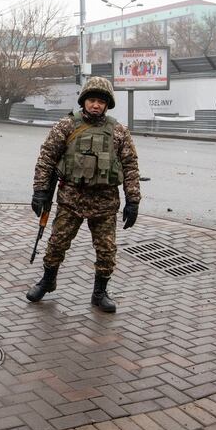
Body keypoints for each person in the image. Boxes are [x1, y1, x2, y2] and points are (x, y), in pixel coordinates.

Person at [26, 76, 141, 313]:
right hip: (71, 199)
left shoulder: (119, 132)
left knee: (107, 251)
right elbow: (46, 159)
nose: (96, 105)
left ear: (107, 104)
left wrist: (133, 200)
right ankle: (47, 281)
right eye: (92, 100)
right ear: (84, 101)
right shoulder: (66, 126)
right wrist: (39, 191)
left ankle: (100, 293)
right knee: (56, 244)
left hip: (105, 203)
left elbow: (130, 166)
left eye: (101, 101)